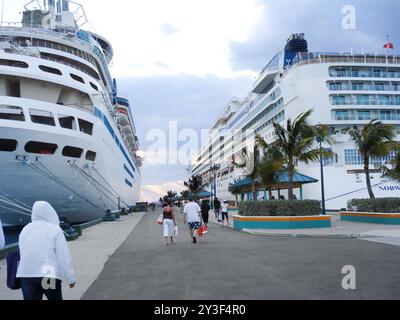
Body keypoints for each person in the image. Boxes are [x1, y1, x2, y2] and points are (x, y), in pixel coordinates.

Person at [17, 201, 76, 301]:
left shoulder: (25, 229)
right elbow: (63, 256)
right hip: (47, 274)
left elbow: (22, 252)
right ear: (50, 212)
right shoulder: (55, 230)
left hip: (27, 275)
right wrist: (71, 278)